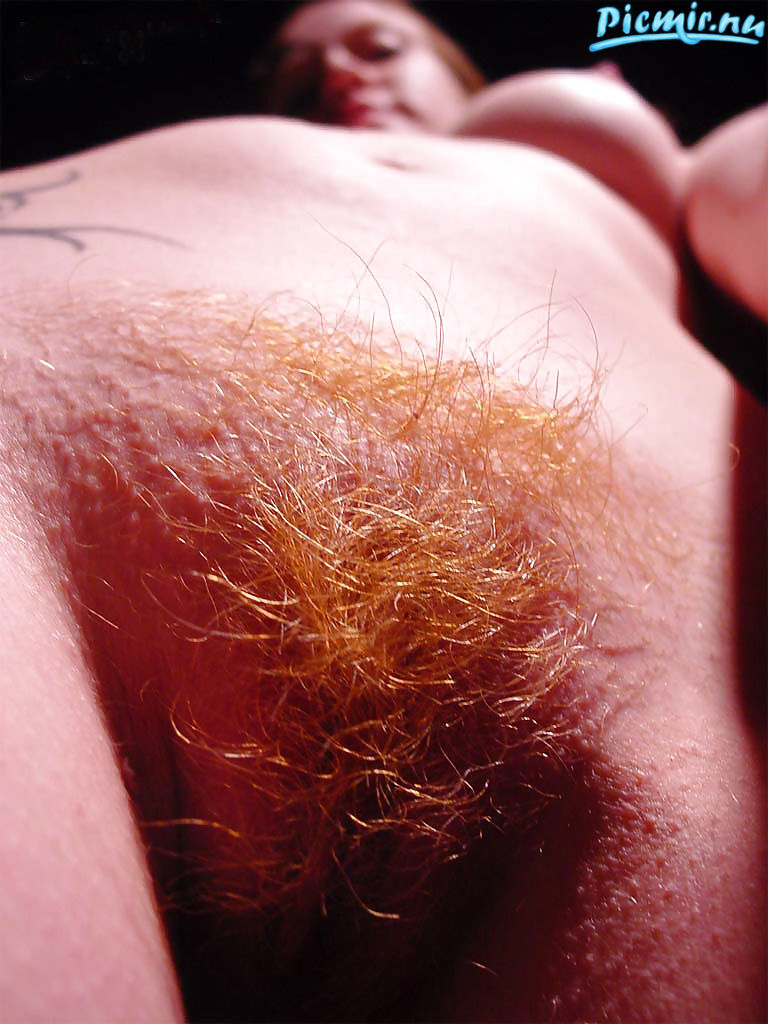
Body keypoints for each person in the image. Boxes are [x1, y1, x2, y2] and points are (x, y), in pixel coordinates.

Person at [0, 1, 765, 1021]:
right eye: (295, 70)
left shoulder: (571, 134)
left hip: (635, 617)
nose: (335, 73)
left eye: (377, 43)